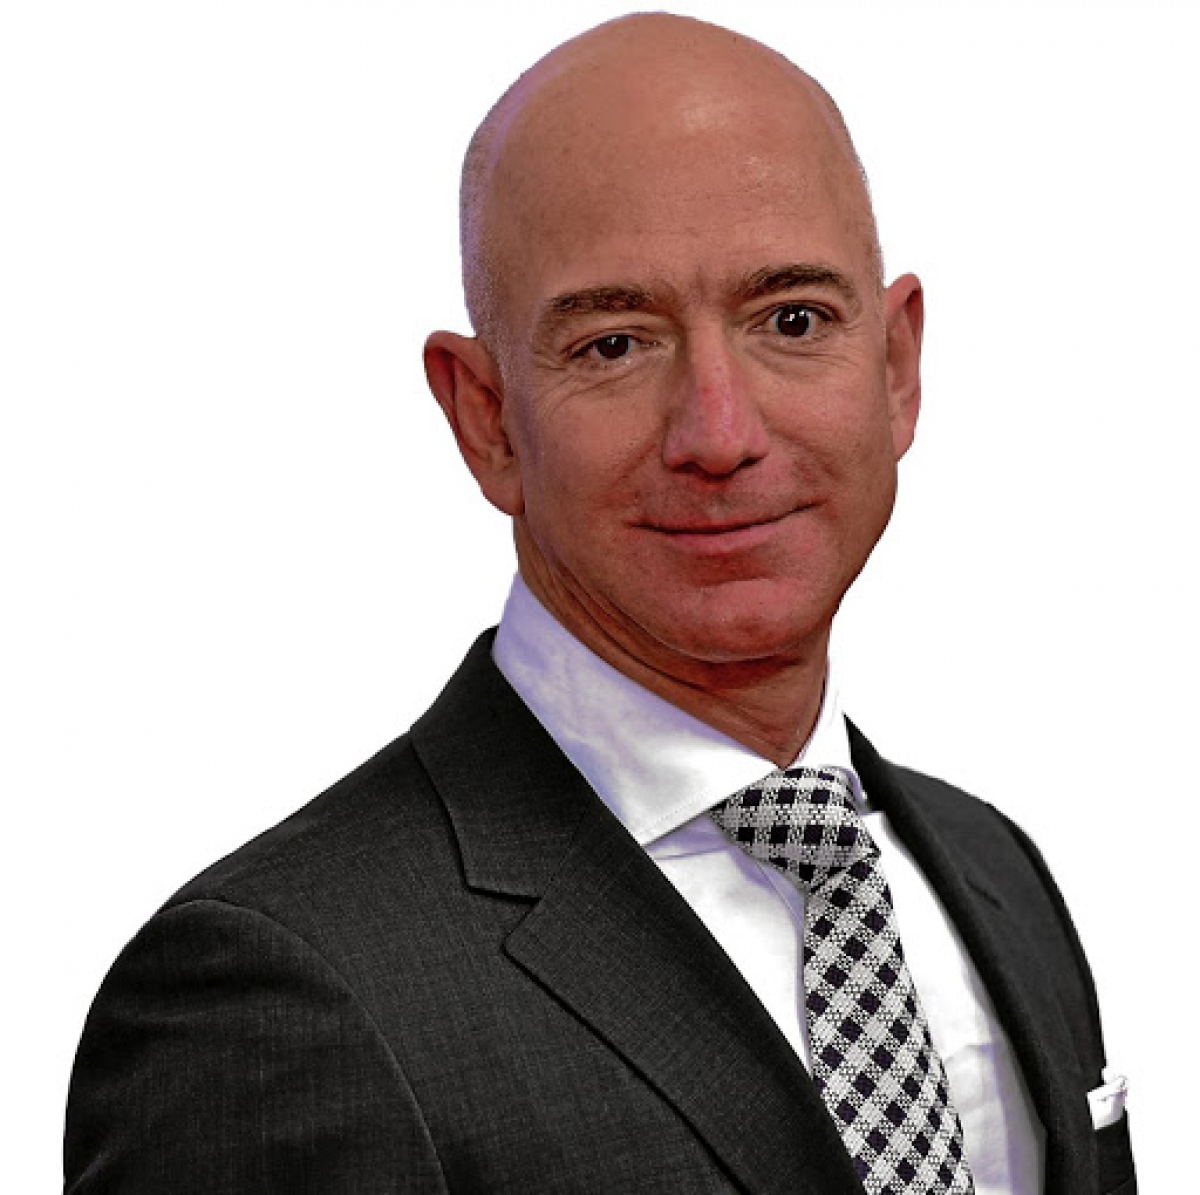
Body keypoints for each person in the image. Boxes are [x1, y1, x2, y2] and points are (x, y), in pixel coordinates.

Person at [64, 13, 1135, 1194]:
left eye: (793, 320)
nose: (719, 432)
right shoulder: (273, 996)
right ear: (486, 419)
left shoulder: (994, 871)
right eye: (615, 344)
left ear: (896, 368)